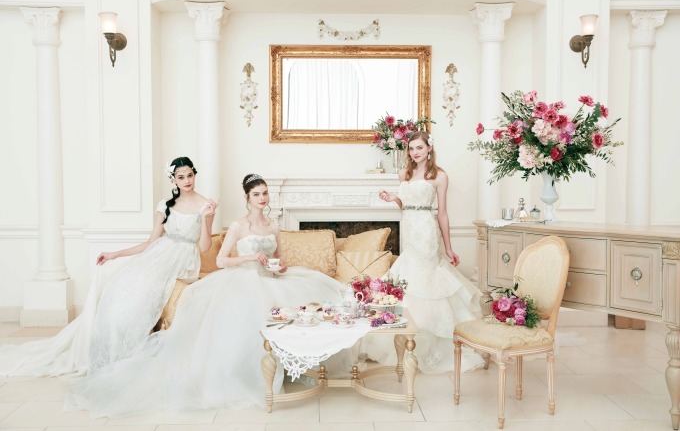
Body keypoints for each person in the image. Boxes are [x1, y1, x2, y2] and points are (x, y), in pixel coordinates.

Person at [65, 174, 344, 417]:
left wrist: (278, 266)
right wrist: (249, 257)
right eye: (257, 194)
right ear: (247, 198)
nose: (262, 198)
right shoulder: (238, 226)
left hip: (271, 279)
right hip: (244, 278)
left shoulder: (272, 226)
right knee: (248, 311)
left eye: (265, 193)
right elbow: (222, 261)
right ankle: (247, 374)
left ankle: (290, 367)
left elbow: (280, 259)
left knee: (304, 306)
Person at [0, 157, 217, 376]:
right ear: (173, 180)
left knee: (145, 287)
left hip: (184, 262)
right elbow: (151, 242)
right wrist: (114, 254)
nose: (187, 180)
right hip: (158, 256)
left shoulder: (205, 206)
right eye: (181, 177)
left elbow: (205, 246)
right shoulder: (166, 205)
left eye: (190, 175)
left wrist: (206, 218)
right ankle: (113, 348)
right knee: (119, 284)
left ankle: (130, 350)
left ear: (195, 175)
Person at [364, 131, 485, 373]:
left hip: (427, 232)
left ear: (429, 148)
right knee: (408, 278)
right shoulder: (404, 174)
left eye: (419, 147)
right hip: (409, 229)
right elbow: (407, 205)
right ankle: (407, 340)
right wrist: (394, 198)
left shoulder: (439, 176)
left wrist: (448, 247)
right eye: (411, 148)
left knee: (426, 279)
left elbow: (442, 214)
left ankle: (432, 342)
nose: (415, 152)